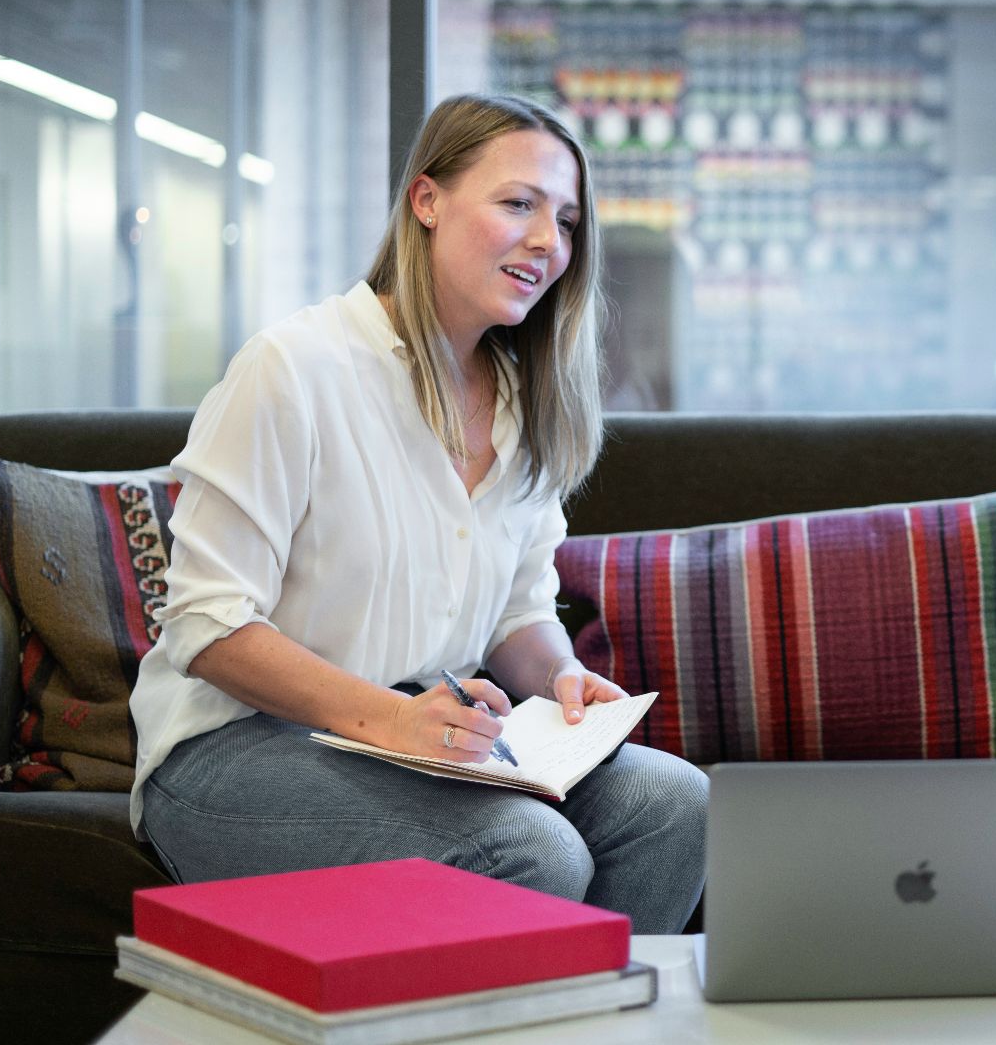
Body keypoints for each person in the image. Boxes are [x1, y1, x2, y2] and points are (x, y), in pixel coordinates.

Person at [128, 94, 708, 934]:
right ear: (426, 201)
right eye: (519, 204)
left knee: (676, 804)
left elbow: (517, 611)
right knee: (531, 851)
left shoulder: (520, 399)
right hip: (239, 747)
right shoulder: (294, 369)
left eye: (568, 220)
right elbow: (207, 626)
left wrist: (558, 679)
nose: (551, 242)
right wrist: (398, 720)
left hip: (426, 740)